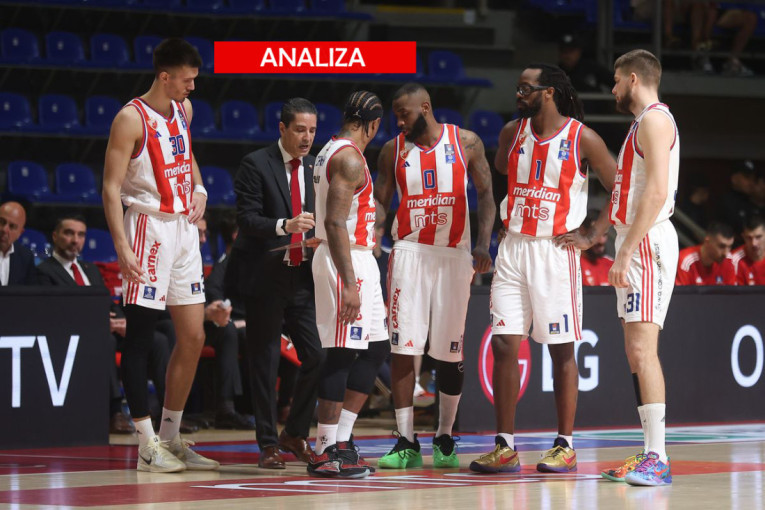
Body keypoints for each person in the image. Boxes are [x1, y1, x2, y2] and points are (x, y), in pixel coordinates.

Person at [470, 64, 617, 475]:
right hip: (514, 247)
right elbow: (504, 172)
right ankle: (504, 446)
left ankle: (565, 445)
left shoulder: (582, 138)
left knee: (561, 349)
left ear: (549, 92)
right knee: (504, 344)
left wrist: (592, 234)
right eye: (518, 88)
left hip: (555, 251)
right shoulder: (510, 133)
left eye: (526, 88)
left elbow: (622, 186)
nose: (518, 94)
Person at [102, 38, 218, 473]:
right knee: (140, 338)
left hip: (183, 229)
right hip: (147, 228)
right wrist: (121, 245)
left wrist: (200, 188)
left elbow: (186, 156)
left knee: (194, 336)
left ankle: (171, 437)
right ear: (165, 76)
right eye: (187, 80)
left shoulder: (184, 110)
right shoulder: (130, 118)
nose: (192, 87)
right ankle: (146, 444)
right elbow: (110, 188)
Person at [374, 82, 495, 469]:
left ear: (424, 108)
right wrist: (370, 236)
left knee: (449, 352)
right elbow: (380, 201)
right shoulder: (393, 149)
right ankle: (406, 440)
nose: (398, 121)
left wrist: (483, 245)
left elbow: (486, 193)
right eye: (396, 115)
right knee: (403, 349)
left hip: (453, 255)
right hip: (409, 253)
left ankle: (444, 436)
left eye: (404, 113)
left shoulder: (466, 142)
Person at [226, 97, 325, 469]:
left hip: (303, 276)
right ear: (282, 128)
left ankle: (294, 433)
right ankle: (268, 443)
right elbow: (247, 219)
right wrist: (286, 225)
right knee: (264, 363)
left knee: (317, 356)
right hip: (265, 277)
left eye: (312, 130)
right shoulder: (256, 163)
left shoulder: (316, 166)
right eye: (300, 129)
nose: (307, 137)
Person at [601, 49, 679, 487]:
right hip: (635, 239)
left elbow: (656, 192)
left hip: (646, 242)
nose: (612, 89)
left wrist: (627, 249)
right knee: (635, 351)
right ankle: (650, 449)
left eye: (616, 80)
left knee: (643, 350)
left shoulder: (654, 119)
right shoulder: (643, 122)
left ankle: (658, 457)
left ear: (633, 78)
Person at [307, 90, 390, 478]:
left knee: (375, 348)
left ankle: (342, 441)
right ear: (373, 125)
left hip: (357, 256)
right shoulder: (349, 158)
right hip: (346, 261)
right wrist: (349, 283)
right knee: (341, 353)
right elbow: (334, 222)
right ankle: (324, 451)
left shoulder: (331, 149)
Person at [36, 215, 136, 435]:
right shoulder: (44, 270)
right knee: (107, 341)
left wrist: (122, 321)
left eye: (81, 235)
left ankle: (166, 413)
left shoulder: (90, 269)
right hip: (74, 337)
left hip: (108, 329)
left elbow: (109, 303)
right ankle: (114, 412)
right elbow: (53, 313)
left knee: (157, 340)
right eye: (69, 233)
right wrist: (97, 322)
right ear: (55, 236)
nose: (75, 240)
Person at [198, 215, 253, 430]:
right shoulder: (223, 267)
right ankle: (227, 408)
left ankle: (285, 403)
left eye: (205, 234)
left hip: (253, 323)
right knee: (231, 331)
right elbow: (215, 301)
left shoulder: (256, 265)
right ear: (237, 235)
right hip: (218, 324)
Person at [719, 160, 761, 235]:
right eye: (747, 177)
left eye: (753, 179)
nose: (751, 182)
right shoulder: (727, 202)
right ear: (734, 179)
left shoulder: (754, 201)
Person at [0, 201, 36, 286]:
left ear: (20, 233)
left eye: (12, 226)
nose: (4, 229)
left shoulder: (26, 257)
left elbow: (30, 292)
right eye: (1, 222)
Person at [580, 214, 614, 286]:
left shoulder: (612, 265)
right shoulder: (573, 264)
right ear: (582, 231)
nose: (601, 240)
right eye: (597, 235)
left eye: (604, 234)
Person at [732, 216, 765, 285]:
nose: (754, 243)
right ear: (743, 237)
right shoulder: (733, 261)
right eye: (749, 238)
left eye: (758, 237)